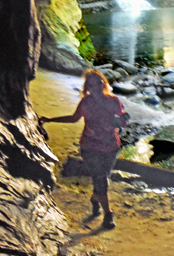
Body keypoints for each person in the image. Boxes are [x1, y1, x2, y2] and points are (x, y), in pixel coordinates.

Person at [39, 69, 129, 229]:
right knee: (101, 178)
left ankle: (95, 199)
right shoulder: (86, 103)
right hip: (90, 147)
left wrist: (122, 121)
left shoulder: (114, 101)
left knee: (102, 179)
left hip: (111, 146)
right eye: (93, 83)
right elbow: (74, 119)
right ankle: (108, 214)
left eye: (99, 81)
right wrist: (50, 120)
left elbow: (122, 121)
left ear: (103, 83)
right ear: (88, 87)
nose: (97, 85)